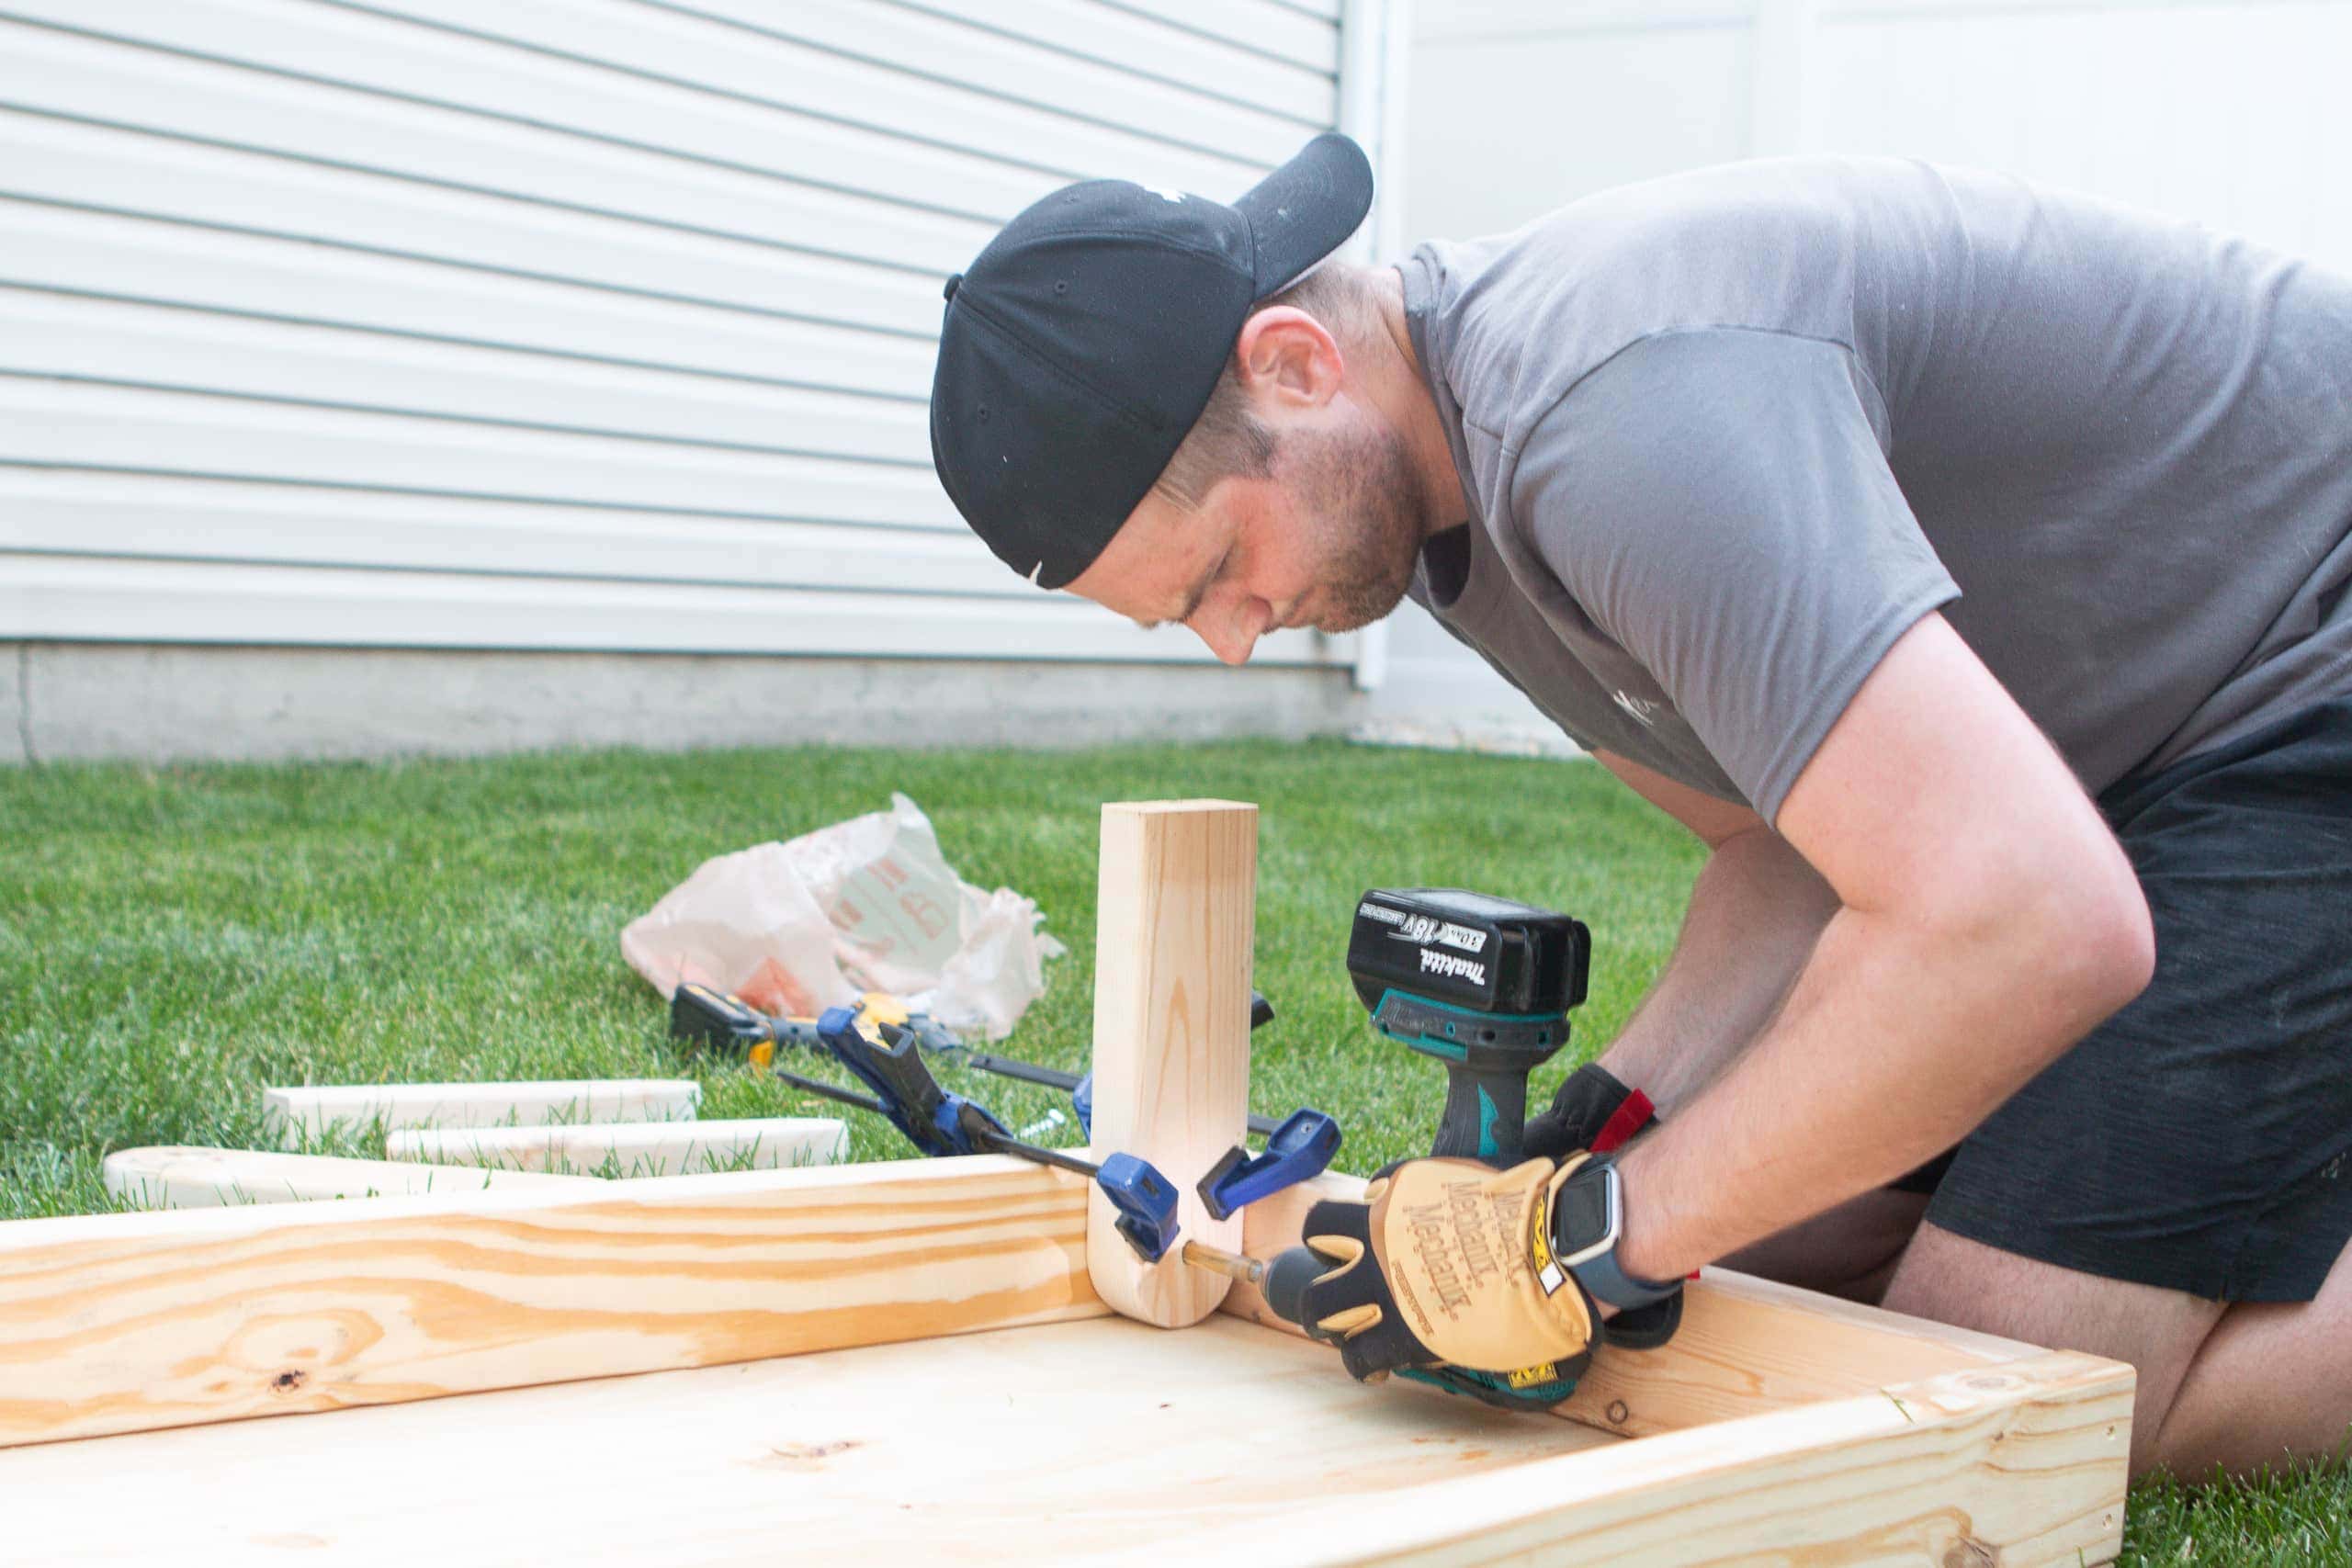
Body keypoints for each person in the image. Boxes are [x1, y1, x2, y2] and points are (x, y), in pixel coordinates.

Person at [926, 133, 2352, 1478]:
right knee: (1756, 1260)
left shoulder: (1615, 421)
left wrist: (1589, 1241)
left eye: (1217, 573)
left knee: (1993, 1388)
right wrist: (1585, 1146)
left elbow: (2035, 920)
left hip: (2299, 666)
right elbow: (1778, 850)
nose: (1239, 637)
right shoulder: (1426, 505)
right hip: (2108, 760)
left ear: (1294, 366)